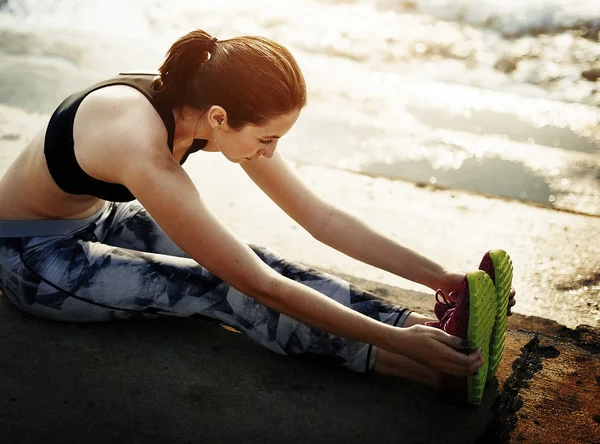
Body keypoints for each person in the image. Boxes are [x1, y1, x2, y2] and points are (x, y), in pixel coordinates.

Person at [0, 29, 515, 403]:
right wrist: (391, 343)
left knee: (257, 258)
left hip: (100, 218)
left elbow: (321, 218)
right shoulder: (139, 145)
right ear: (221, 119)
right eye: (266, 138)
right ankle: (422, 368)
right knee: (225, 285)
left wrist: (442, 280)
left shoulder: (201, 104)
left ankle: (428, 327)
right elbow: (256, 285)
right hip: (34, 255)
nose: (269, 152)